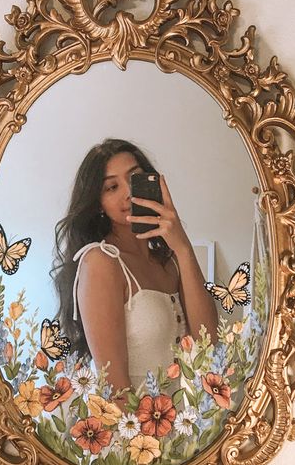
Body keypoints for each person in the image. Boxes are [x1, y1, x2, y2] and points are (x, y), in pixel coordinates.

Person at [51, 138, 218, 395]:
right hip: (130, 428)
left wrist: (183, 248)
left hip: (181, 425)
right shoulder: (101, 262)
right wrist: (145, 436)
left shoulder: (169, 260)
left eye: (135, 178)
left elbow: (209, 343)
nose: (128, 192)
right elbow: (114, 388)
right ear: (98, 203)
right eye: (112, 187)